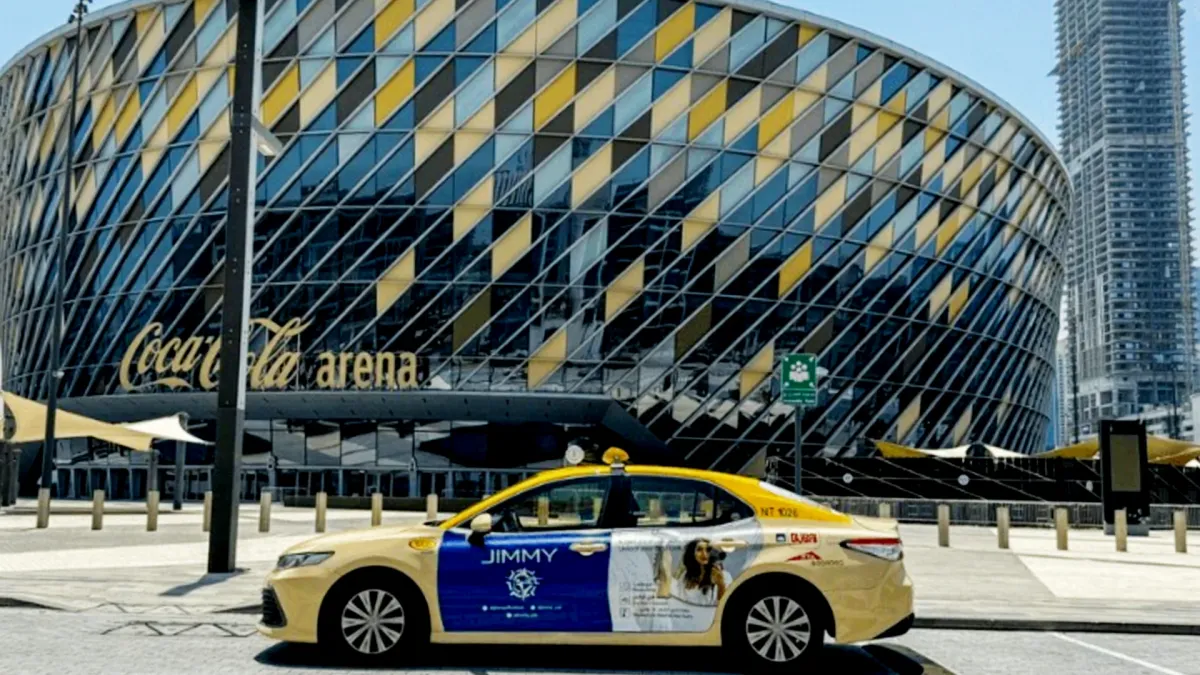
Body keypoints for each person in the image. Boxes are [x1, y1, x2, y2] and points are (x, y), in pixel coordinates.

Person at [654, 538, 732, 606]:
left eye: (708, 550)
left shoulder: (725, 576)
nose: (704, 554)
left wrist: (721, 585)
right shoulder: (686, 575)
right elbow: (679, 598)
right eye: (699, 550)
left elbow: (724, 607)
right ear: (693, 553)